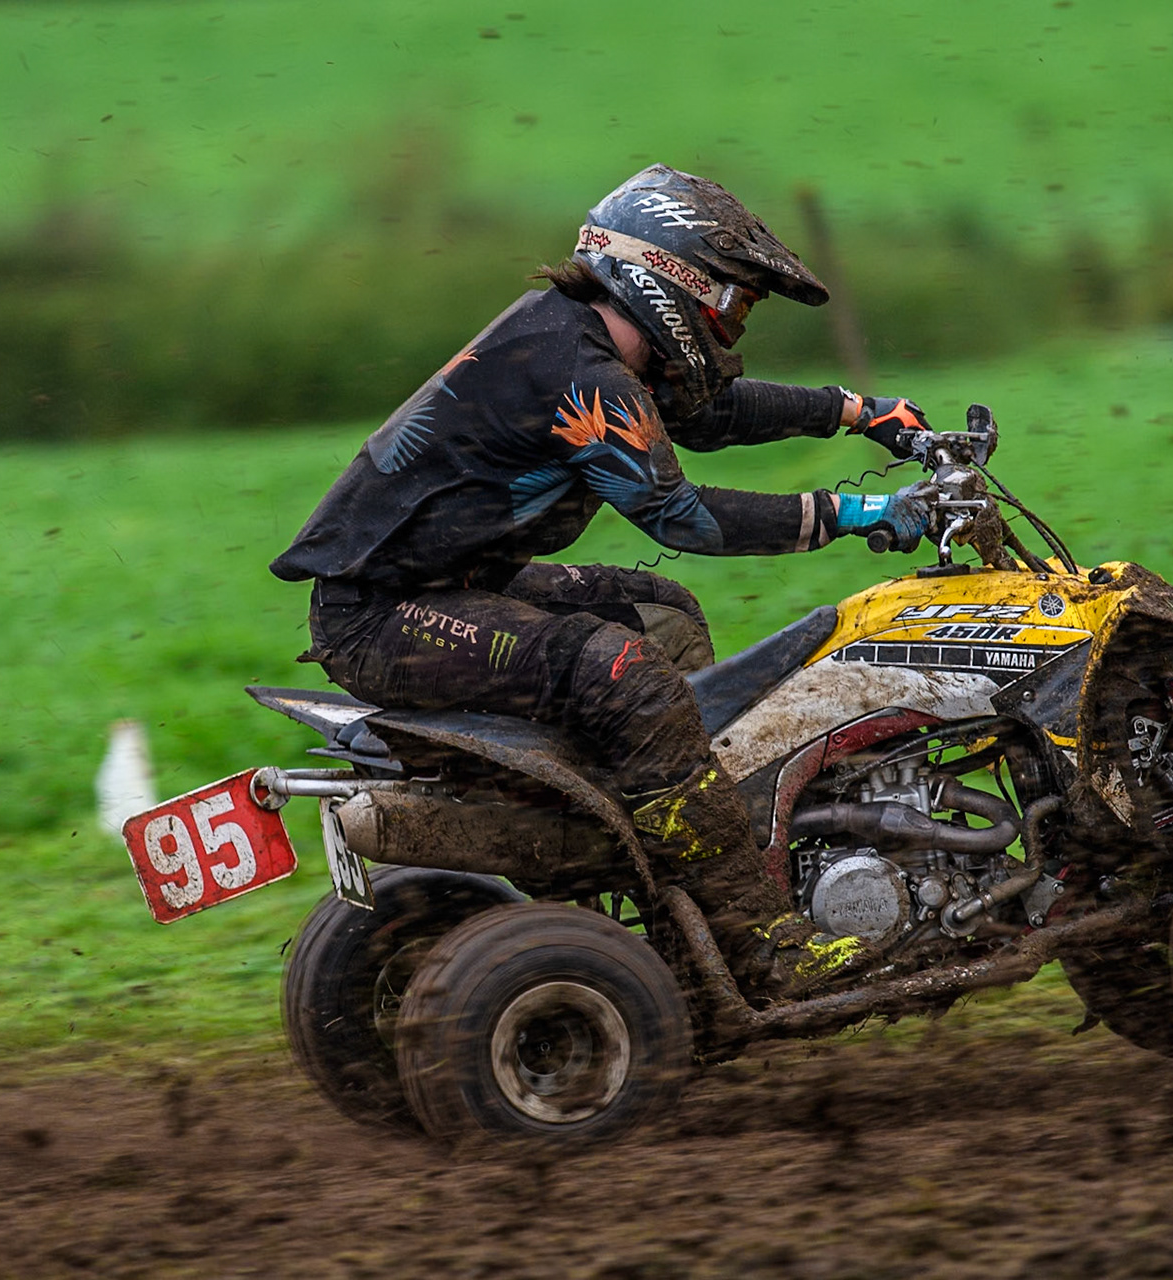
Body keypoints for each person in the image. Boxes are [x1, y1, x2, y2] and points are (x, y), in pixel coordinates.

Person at [271, 165, 932, 1000]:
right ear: (673, 279)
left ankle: (678, 838)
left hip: (442, 588)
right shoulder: (578, 371)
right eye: (733, 306)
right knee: (622, 672)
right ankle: (757, 939)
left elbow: (704, 416)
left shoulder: (582, 339)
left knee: (662, 613)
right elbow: (683, 519)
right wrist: (856, 512)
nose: (734, 327)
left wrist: (854, 411)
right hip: (383, 619)